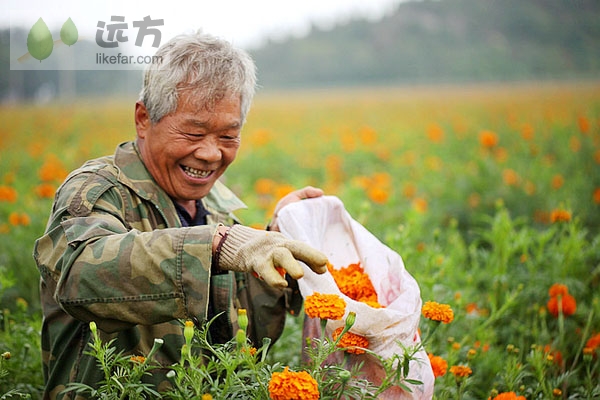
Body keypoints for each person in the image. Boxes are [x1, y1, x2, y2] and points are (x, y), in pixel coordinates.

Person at [33, 30, 328, 399]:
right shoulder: (97, 191)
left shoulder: (218, 208)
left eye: (228, 137)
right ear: (144, 119)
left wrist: (279, 240)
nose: (210, 154)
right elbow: (79, 276)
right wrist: (216, 246)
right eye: (192, 132)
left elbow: (246, 342)